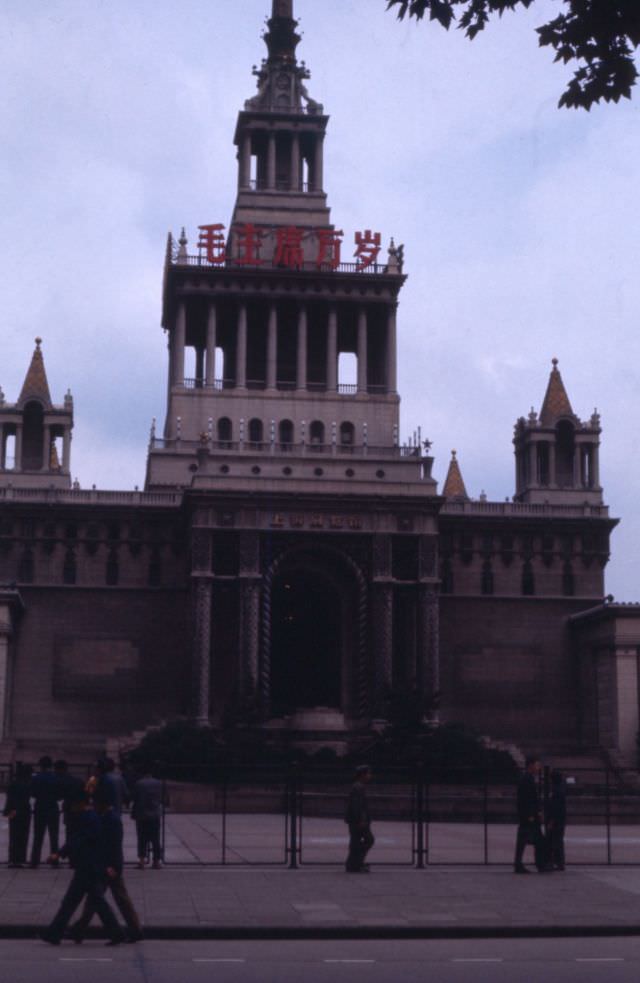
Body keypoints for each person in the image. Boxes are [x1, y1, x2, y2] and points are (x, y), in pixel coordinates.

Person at [41, 787, 124, 946]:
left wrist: (59, 854)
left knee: (77, 901)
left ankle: (55, 933)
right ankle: (56, 933)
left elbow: (79, 839)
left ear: (78, 803)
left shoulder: (89, 818)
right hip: (88, 865)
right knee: (89, 901)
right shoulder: (90, 817)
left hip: (89, 866)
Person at [70, 786, 142, 943]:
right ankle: (80, 929)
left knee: (111, 898)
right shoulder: (106, 816)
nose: (93, 805)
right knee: (98, 898)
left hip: (109, 866)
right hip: (105, 864)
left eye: (95, 802)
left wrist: (113, 866)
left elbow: (113, 845)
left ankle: (81, 928)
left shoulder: (111, 819)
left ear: (102, 803)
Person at [514, 756, 549, 873]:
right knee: (532, 840)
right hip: (529, 816)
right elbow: (525, 799)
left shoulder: (528, 778)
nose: (538, 767)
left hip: (530, 815)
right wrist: (531, 815)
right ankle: (539, 864)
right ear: (530, 766)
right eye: (537, 765)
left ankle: (538, 864)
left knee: (530, 841)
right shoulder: (526, 779)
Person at [30, 756, 60, 868]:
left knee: (38, 836)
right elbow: (59, 794)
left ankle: (35, 861)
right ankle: (54, 860)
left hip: (40, 807)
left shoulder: (36, 778)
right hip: (52, 807)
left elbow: (33, 793)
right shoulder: (55, 778)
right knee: (54, 836)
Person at [131, 765, 163, 869]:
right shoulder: (158, 783)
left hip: (142, 814)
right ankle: (156, 861)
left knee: (142, 838)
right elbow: (162, 798)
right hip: (154, 814)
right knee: (155, 839)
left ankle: (142, 861)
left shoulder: (138, 784)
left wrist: (133, 813)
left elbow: (135, 799)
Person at [344, 764, 374, 873]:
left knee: (355, 842)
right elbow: (357, 805)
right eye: (368, 773)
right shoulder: (358, 787)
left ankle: (353, 864)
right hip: (358, 820)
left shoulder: (358, 786)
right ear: (362, 775)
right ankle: (355, 863)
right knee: (369, 840)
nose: (370, 776)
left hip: (355, 820)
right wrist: (361, 819)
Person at [3, 762, 32, 868]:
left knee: (14, 836)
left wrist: (7, 810)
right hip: (25, 811)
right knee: (23, 836)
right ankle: (21, 859)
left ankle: (13, 859)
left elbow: (9, 799)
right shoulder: (28, 784)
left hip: (14, 811)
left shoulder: (13, 784)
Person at [54, 760, 85, 845]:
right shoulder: (77, 780)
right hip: (79, 810)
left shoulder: (63, 781)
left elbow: (59, 796)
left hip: (71, 811)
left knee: (70, 834)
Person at [546, 769, 567, 871]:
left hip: (557, 820)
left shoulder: (556, 791)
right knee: (558, 841)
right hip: (560, 820)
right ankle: (559, 862)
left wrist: (552, 820)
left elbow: (556, 807)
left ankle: (555, 862)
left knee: (554, 841)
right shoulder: (559, 789)